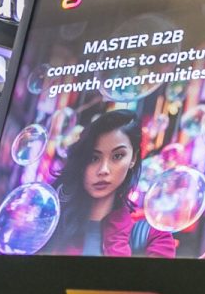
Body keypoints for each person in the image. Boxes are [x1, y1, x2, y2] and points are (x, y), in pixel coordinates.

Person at [45, 110, 177, 258]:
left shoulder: (153, 235)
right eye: (94, 158)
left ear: (133, 158)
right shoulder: (48, 222)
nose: (103, 170)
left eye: (117, 156)